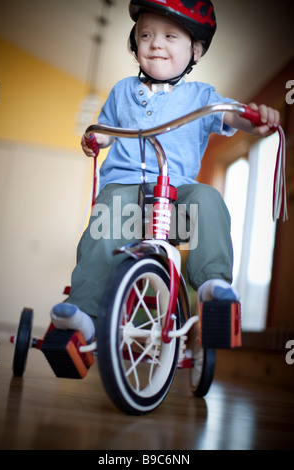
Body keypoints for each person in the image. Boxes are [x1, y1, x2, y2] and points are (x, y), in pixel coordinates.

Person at [50, 0, 279, 343]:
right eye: (146, 35)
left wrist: (253, 120)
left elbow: (231, 115)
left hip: (175, 200)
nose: (156, 43)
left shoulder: (202, 96)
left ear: (196, 50)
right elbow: (107, 129)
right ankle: (84, 313)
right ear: (136, 43)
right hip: (124, 195)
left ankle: (213, 284)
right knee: (100, 230)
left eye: (171, 35)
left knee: (208, 198)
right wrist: (96, 137)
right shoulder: (122, 91)